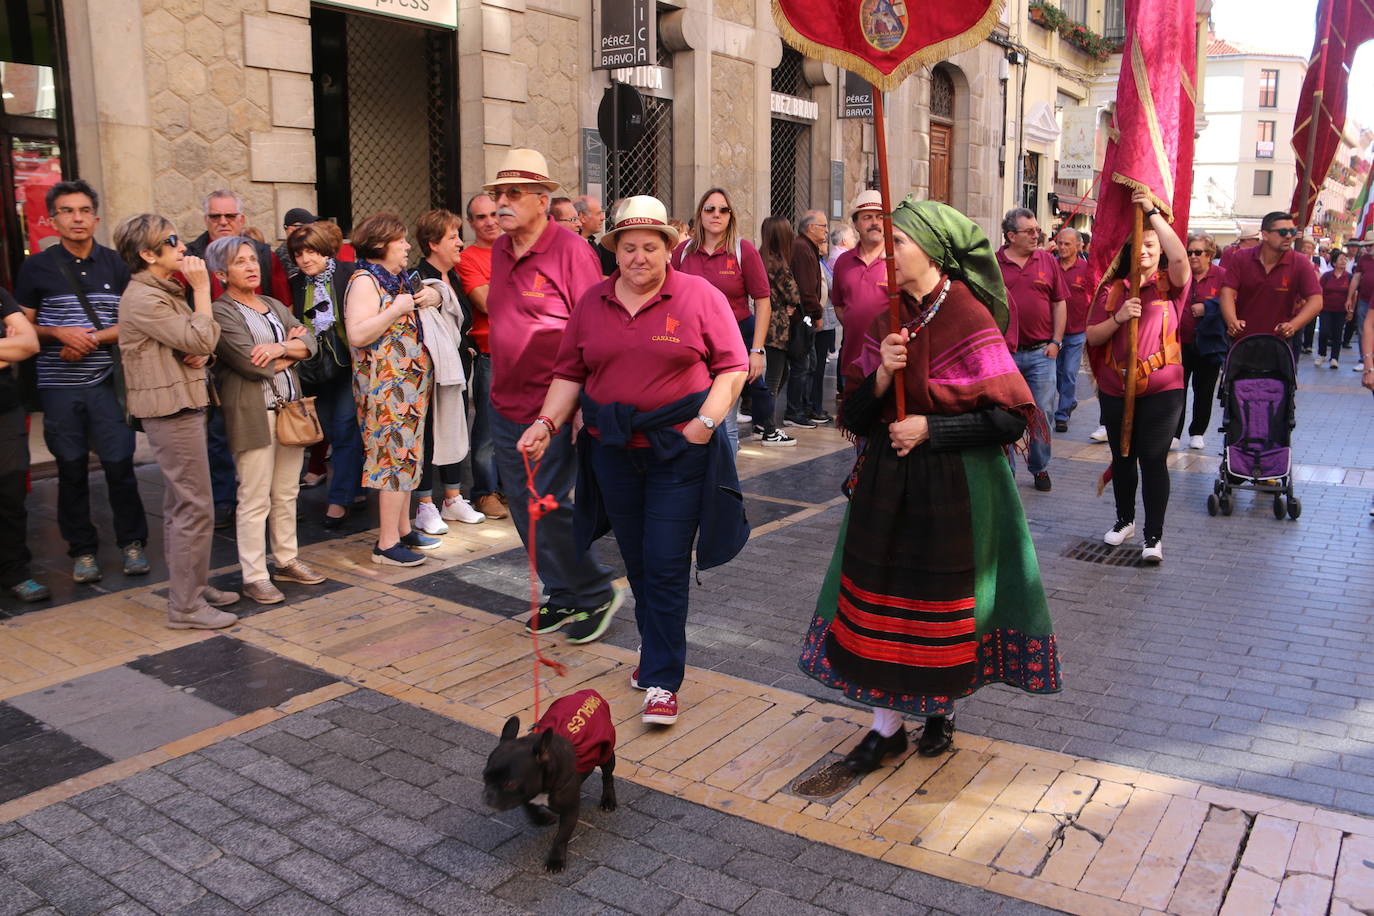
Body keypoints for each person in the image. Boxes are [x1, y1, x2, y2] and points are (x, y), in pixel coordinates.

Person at [799, 197, 1060, 768]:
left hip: (956, 491)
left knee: (940, 606)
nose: (884, 252)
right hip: (886, 486)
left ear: (934, 251)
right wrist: (882, 376)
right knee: (884, 601)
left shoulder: (967, 314)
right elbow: (854, 416)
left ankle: (940, 711)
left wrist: (930, 428)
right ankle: (886, 726)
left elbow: (1010, 417)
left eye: (898, 243)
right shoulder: (883, 320)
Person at [519, 196, 749, 726]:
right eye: (629, 247)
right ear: (614, 251)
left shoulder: (699, 296)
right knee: (641, 562)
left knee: (666, 563)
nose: (639, 257)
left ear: (669, 247)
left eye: (650, 246)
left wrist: (704, 426)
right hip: (613, 453)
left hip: (678, 454)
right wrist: (545, 423)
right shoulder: (592, 302)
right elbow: (570, 374)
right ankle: (653, 658)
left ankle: (664, 679)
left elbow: (732, 369)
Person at [484, 149, 622, 642]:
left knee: (545, 501)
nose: (500, 203)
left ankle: (594, 591)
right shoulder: (501, 250)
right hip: (505, 402)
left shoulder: (569, 251)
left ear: (542, 201)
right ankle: (564, 591)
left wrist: (583, 405)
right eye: (497, 194)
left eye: (512, 195)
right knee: (523, 505)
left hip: (552, 406)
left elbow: (595, 325)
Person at [14, 178, 150, 583]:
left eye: (84, 211)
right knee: (70, 470)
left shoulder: (116, 263)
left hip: (108, 384)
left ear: (96, 217)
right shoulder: (36, 267)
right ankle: (82, 551)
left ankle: (132, 544)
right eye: (67, 211)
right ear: (53, 219)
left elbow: (134, 323)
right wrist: (58, 334)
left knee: (119, 467)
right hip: (59, 387)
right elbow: (23, 327)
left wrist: (87, 339)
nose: (77, 219)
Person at [115, 214, 239, 627]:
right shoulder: (145, 297)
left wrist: (202, 350)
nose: (182, 246)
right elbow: (203, 335)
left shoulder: (160, 290)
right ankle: (185, 607)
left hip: (180, 402)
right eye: (171, 240)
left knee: (180, 505)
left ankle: (192, 587)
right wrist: (204, 290)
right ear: (147, 254)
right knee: (194, 505)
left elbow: (198, 343)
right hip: (171, 410)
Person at [209, 236, 325, 603]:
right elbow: (248, 363)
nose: (251, 266)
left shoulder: (273, 304)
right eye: (240, 262)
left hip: (289, 410)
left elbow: (313, 341)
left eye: (252, 259)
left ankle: (287, 560)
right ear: (220, 273)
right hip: (253, 413)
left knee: (286, 492)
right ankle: (254, 575)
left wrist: (279, 348)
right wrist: (293, 352)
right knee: (254, 497)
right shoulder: (221, 311)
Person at [1086, 193, 1191, 564]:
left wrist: (1151, 214)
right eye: (1139, 245)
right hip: (1117, 387)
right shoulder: (1115, 289)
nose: (1145, 252)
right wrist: (1118, 318)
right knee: (1123, 455)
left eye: (1151, 245)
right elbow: (1091, 336)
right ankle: (1124, 520)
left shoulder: (1170, 284)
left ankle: (1153, 537)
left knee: (1153, 459)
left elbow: (1180, 257)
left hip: (1163, 388)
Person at [187, 190, 294, 529]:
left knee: (279, 484)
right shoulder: (192, 256)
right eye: (216, 217)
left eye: (229, 216)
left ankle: (283, 548)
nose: (223, 222)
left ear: (241, 219)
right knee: (219, 436)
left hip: (267, 363)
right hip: (210, 360)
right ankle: (223, 502)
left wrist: (281, 349)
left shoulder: (263, 254)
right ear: (206, 220)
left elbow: (286, 309)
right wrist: (289, 352)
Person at [345, 212, 441, 566]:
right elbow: (357, 334)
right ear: (382, 243)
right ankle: (386, 544)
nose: (405, 246)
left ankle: (402, 529)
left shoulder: (396, 279)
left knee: (407, 457)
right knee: (391, 460)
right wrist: (396, 309)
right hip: (385, 390)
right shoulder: (365, 281)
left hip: (409, 388)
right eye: (400, 240)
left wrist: (429, 297)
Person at [671, 188, 785, 447]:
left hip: (732, 345)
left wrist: (757, 350)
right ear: (700, 214)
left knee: (726, 420)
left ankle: (724, 484)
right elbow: (670, 298)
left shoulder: (742, 250)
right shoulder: (683, 252)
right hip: (692, 347)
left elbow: (763, 301)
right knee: (691, 414)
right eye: (709, 209)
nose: (716, 215)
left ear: (731, 216)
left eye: (723, 210)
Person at [286, 220, 365, 528]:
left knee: (345, 428)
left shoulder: (349, 274)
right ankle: (355, 487)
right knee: (330, 430)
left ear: (325, 250)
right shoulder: (296, 283)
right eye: (299, 253)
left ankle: (339, 499)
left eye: (311, 252)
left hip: (348, 364)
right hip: (313, 368)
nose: (305, 259)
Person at [412, 207, 481, 534]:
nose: (459, 242)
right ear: (433, 243)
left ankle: (452, 499)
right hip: (428, 373)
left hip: (456, 368)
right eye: (452, 237)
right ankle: (425, 504)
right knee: (426, 435)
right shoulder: (418, 279)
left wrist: (465, 345)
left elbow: (460, 324)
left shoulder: (452, 278)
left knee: (454, 428)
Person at [997, 208, 1067, 492]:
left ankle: (1039, 467)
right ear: (1011, 236)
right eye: (1029, 231)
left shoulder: (1047, 261)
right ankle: (1007, 473)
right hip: (1005, 356)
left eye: (1037, 230)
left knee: (1042, 415)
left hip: (1041, 354)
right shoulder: (994, 263)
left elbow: (1059, 302)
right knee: (1004, 417)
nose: (1036, 235)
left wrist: (1056, 342)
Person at [455, 192, 507, 519]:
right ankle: (484, 491)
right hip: (492, 353)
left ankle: (507, 488)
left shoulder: (516, 250)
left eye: (494, 214)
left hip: (526, 352)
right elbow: (487, 303)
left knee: (518, 427)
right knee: (487, 429)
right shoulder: (468, 258)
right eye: (481, 217)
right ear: (471, 223)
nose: (489, 222)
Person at [1220, 211, 1322, 357]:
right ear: (1265, 235)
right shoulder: (1241, 258)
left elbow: (1316, 300)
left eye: (1292, 231)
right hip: (1243, 342)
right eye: (1282, 232)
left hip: (1281, 344)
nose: (1288, 236)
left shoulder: (1300, 262)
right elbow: (1226, 292)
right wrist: (1232, 321)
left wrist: (1293, 325)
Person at [0, 288, 44, 602]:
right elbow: (16, 345)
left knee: (11, 491)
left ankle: (15, 571)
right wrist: (6, 348)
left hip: (5, 409)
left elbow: (29, 343)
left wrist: (16, 346)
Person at [831, 190, 890, 390]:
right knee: (853, 418)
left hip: (889, 363)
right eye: (867, 217)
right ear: (856, 224)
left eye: (880, 217)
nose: (875, 222)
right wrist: (855, 324)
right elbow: (839, 305)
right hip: (853, 361)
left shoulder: (897, 259)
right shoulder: (843, 262)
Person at [1175, 232, 1227, 450]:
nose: (1193, 256)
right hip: (1181, 342)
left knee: (1204, 390)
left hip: (1210, 343)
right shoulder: (1181, 274)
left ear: (1210, 254)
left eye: (1198, 252)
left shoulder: (1223, 275)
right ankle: (1174, 433)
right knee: (1177, 389)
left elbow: (1233, 299)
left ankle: (1197, 431)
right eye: (1189, 252)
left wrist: (1209, 307)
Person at [759, 215, 801, 441]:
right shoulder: (779, 262)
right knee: (775, 378)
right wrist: (791, 304)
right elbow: (794, 294)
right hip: (777, 326)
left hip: (766, 322)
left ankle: (762, 421)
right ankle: (768, 428)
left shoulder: (760, 257)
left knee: (778, 374)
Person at [785, 211, 827, 427]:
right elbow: (806, 287)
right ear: (811, 228)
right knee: (802, 365)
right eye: (823, 226)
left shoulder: (805, 247)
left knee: (809, 364)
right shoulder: (802, 249)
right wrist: (816, 313)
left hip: (805, 316)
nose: (826, 230)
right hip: (803, 318)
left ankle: (805, 407)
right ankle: (794, 411)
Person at [1052, 227, 1092, 433]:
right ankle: (1070, 399)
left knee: (1068, 372)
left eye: (1067, 244)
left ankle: (1062, 414)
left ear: (1079, 246)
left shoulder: (1087, 270)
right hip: (1052, 332)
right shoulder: (1051, 266)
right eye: (1059, 243)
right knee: (1057, 373)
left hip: (1077, 331)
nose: (1062, 247)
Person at [1317, 251, 1352, 369]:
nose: (1343, 261)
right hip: (1326, 308)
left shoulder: (1349, 277)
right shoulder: (1327, 276)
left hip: (1341, 310)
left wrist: (1350, 310)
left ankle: (1334, 358)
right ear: (1334, 262)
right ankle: (1321, 354)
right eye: (1341, 259)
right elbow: (1319, 291)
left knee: (1337, 334)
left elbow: (1353, 294)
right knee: (1324, 331)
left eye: (1345, 259)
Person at [573, 195, 617, 276]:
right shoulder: (570, 247)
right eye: (598, 214)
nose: (603, 218)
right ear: (583, 217)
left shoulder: (592, 244)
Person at [1347, 243, 1374, 370]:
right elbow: (1356, 279)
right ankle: (1364, 359)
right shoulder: (1363, 259)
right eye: (1367, 245)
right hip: (1364, 300)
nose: (1368, 247)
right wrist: (1349, 297)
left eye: (1371, 245)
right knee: (1363, 329)